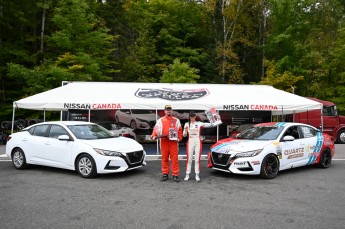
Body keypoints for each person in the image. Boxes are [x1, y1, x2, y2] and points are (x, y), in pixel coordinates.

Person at [151, 105, 183, 182]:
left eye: (169, 110)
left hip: (173, 143)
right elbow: (156, 129)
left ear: (171, 111)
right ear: (164, 111)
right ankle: (165, 174)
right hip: (164, 142)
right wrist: (154, 135)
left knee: (174, 159)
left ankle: (175, 175)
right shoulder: (160, 120)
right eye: (167, 110)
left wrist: (179, 138)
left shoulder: (176, 120)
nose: (168, 111)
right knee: (164, 159)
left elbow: (179, 130)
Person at [183, 111, 215, 182]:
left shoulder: (199, 123)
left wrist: (214, 122)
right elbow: (184, 135)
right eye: (191, 116)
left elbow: (209, 125)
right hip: (190, 141)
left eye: (193, 116)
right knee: (189, 159)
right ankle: (187, 174)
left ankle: (197, 174)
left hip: (197, 141)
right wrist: (185, 131)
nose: (192, 118)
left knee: (197, 159)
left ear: (195, 116)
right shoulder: (186, 124)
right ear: (189, 117)